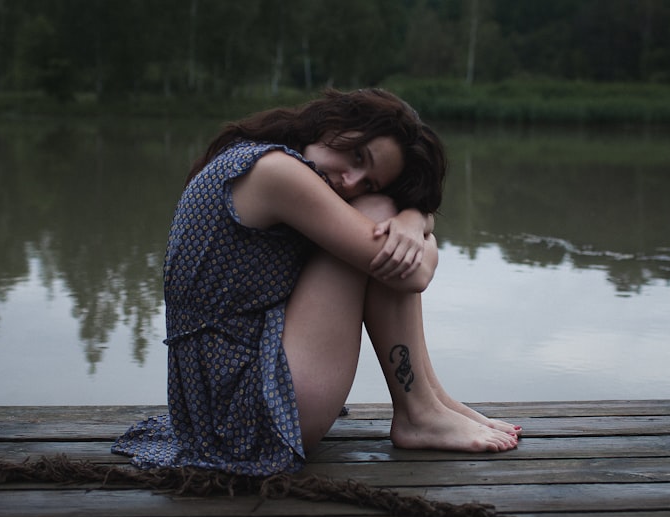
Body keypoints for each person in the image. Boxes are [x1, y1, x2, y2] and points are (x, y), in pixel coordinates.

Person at [112, 88, 520, 476]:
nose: (350, 181)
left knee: (381, 224)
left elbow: (403, 254)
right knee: (379, 220)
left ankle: (432, 402)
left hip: (220, 409)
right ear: (333, 123)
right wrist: (408, 221)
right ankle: (420, 412)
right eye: (357, 155)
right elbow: (416, 272)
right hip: (250, 415)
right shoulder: (276, 173)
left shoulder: (257, 158)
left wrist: (414, 218)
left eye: (368, 180)